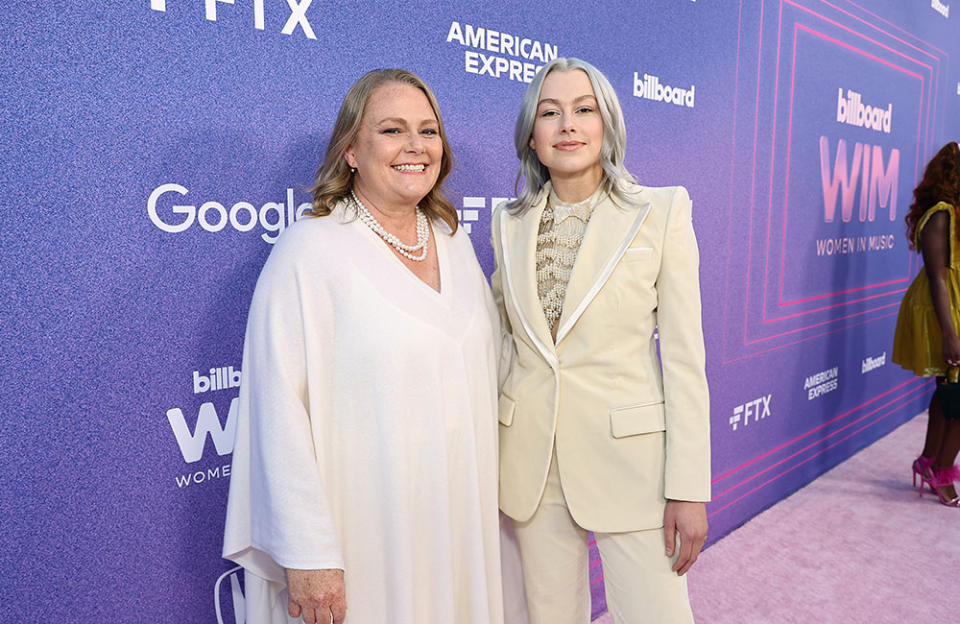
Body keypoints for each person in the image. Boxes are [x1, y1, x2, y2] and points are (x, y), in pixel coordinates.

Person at [222, 68, 505, 623]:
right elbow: (277, 415)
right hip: (360, 539)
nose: (415, 147)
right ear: (351, 149)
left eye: (428, 131)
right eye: (393, 130)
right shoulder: (311, 251)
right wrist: (308, 553)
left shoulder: (453, 241)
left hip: (454, 528)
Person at [491, 58, 710, 624]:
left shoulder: (659, 211)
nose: (568, 124)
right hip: (533, 466)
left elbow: (686, 361)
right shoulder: (507, 223)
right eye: (550, 112)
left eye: (584, 110)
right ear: (532, 139)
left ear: (607, 125)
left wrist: (688, 488)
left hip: (631, 464)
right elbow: (499, 341)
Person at [893, 140, 960, 508]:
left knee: (947, 391)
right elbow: (938, 277)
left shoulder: (954, 210)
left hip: (955, 305)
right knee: (956, 393)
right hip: (944, 312)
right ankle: (943, 471)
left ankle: (929, 461)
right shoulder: (940, 213)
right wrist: (950, 335)